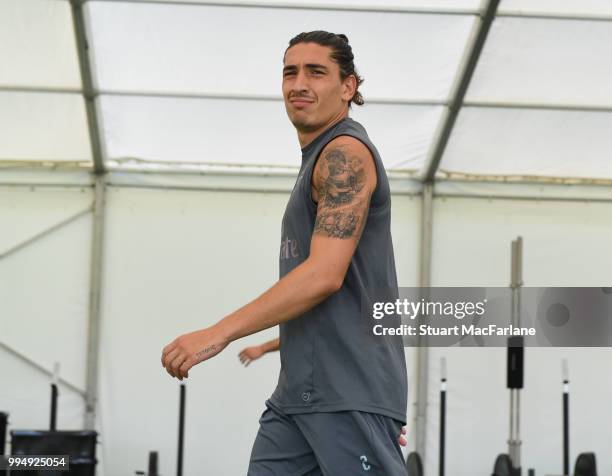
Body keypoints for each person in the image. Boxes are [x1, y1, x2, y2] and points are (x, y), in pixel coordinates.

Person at [162, 30, 408, 474]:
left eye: (317, 72)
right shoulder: (316, 159)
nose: (299, 84)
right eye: (290, 72)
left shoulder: (345, 154)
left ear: (348, 87)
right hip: (298, 398)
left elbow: (323, 275)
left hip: (346, 394)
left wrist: (217, 333)